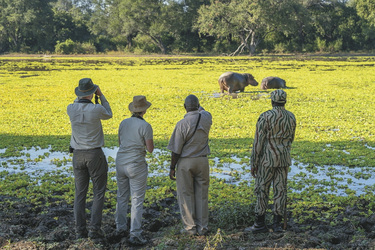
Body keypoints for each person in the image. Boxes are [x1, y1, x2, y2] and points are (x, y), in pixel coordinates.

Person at [67, 78, 113, 239]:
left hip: (78, 155)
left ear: (79, 92)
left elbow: (77, 102)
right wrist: (101, 95)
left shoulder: (70, 108)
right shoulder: (97, 109)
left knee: (80, 193)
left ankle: (80, 230)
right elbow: (109, 114)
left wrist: (89, 94)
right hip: (94, 154)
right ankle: (94, 228)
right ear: (92, 92)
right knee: (99, 192)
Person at [245, 89, 296, 234]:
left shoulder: (265, 116)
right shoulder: (291, 117)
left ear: (272, 101)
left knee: (262, 190)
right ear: (285, 101)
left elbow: (258, 142)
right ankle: (277, 225)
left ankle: (259, 224)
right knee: (280, 191)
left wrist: (254, 163)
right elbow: (291, 139)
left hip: (267, 160)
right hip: (284, 159)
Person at [168, 94, 212, 236]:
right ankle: (202, 227)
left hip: (186, 161)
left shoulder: (181, 124)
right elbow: (203, 110)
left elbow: (176, 150)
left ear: (185, 107)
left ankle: (190, 227)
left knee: (186, 194)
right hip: (202, 160)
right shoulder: (206, 117)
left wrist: (172, 167)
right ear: (198, 106)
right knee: (202, 195)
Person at [115, 95, 154, 245]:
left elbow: (120, 142)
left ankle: (120, 228)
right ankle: (135, 234)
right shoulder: (145, 126)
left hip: (120, 162)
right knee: (137, 199)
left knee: (121, 196)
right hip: (136, 164)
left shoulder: (123, 123)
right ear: (144, 110)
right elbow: (150, 149)